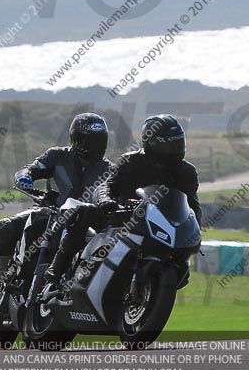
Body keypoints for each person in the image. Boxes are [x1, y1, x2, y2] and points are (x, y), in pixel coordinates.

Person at [45, 114, 202, 284]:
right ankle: (56, 271)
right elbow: (106, 185)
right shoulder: (131, 161)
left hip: (158, 224)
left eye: (178, 143)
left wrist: (193, 232)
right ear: (151, 142)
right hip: (120, 215)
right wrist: (105, 200)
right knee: (82, 212)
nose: (175, 149)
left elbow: (192, 205)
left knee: (183, 269)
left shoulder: (187, 172)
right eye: (169, 144)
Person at [0, 112, 113, 295]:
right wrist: (25, 176)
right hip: (49, 212)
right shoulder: (57, 156)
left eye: (100, 141)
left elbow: (118, 193)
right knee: (5, 228)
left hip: (82, 224)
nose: (97, 147)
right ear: (77, 139)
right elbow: (31, 168)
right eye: (91, 142)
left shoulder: (109, 170)